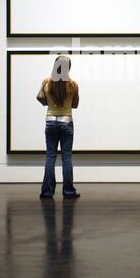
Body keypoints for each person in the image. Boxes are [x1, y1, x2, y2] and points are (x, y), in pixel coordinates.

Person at [37, 55, 80, 199]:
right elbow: (75, 105)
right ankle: (68, 191)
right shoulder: (73, 84)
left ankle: (47, 192)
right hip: (66, 121)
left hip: (50, 121)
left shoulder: (46, 82)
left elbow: (40, 99)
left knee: (50, 156)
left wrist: (50, 102)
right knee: (66, 157)